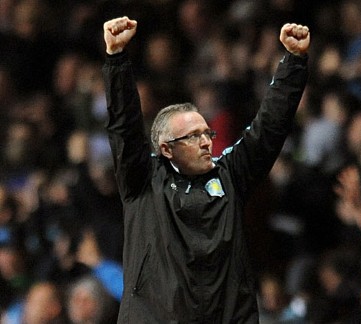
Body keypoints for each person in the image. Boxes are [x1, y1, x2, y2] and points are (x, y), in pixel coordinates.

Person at [102, 16, 309, 323]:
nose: (205, 142)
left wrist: (293, 62)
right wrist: (117, 59)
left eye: (207, 134)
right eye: (193, 136)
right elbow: (125, 128)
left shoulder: (230, 175)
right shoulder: (141, 181)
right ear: (166, 149)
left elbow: (269, 130)